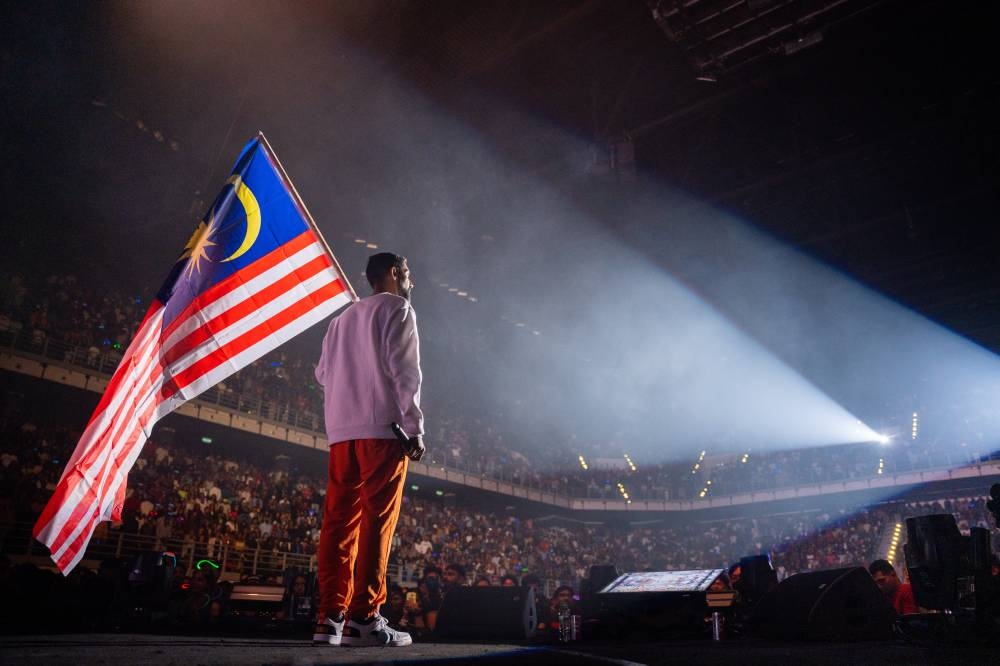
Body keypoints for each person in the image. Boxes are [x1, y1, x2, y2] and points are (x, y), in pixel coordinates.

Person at [312, 252, 426, 647]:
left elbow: (322, 374)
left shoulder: (340, 319)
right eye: (408, 273)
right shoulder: (399, 308)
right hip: (383, 428)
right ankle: (365, 616)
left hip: (341, 431)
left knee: (338, 524)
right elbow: (404, 371)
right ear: (394, 273)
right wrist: (414, 426)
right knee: (377, 520)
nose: (411, 280)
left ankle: (330, 618)